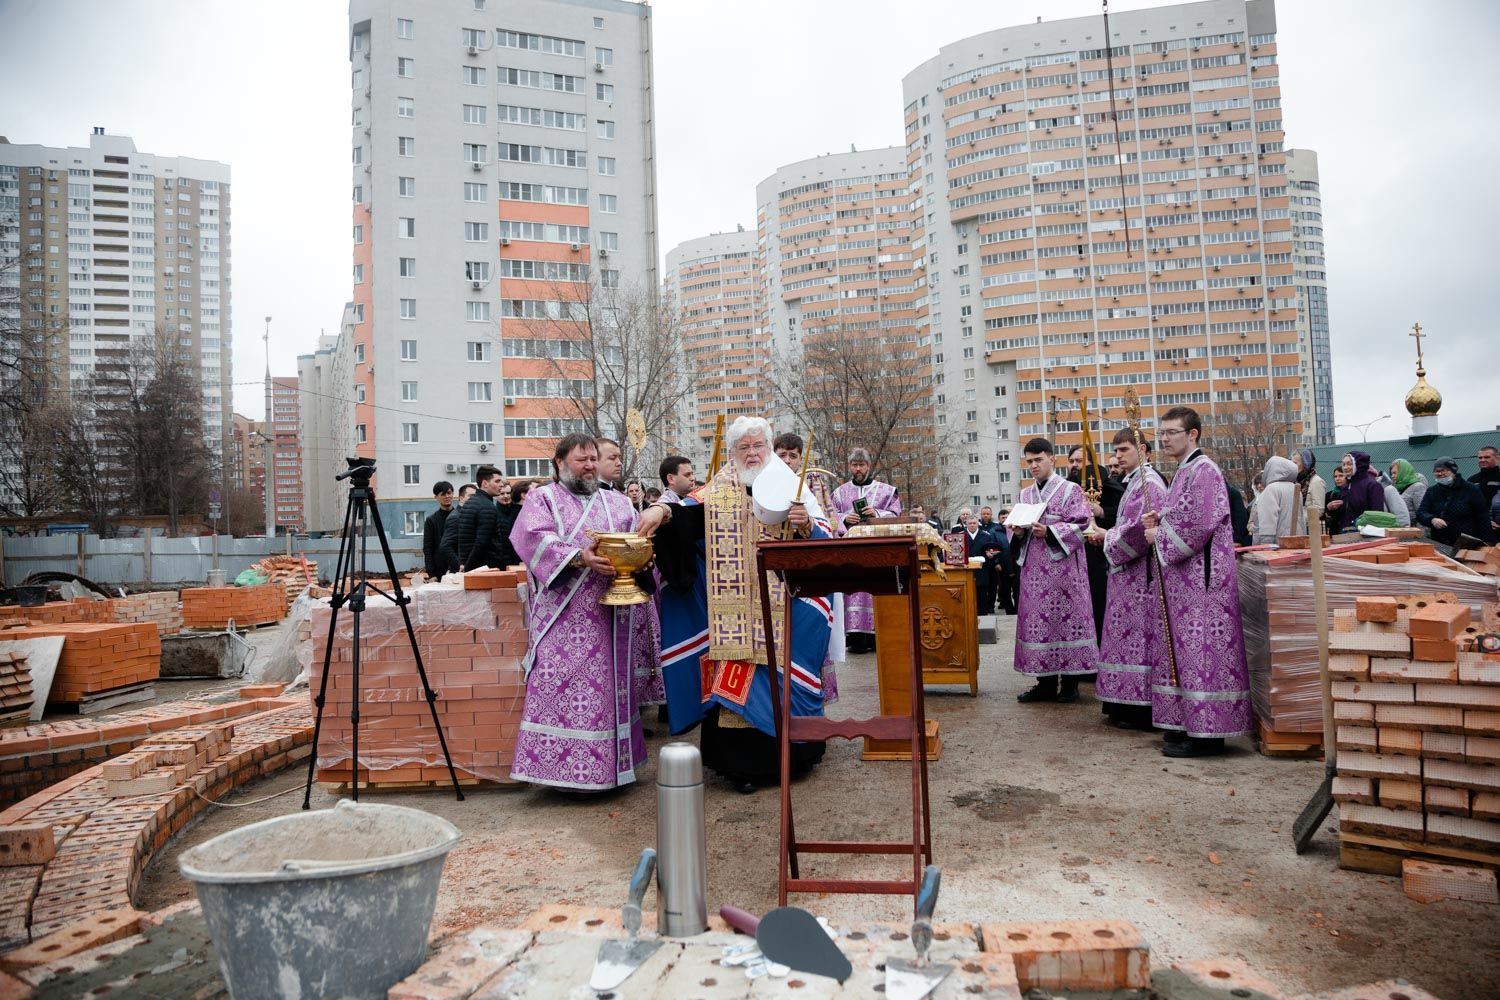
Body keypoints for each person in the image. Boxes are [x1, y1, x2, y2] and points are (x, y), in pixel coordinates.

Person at [639, 416, 833, 793]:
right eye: (743, 447)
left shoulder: (792, 487)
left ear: (769, 447)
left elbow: (824, 541)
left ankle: (795, 755)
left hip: (783, 608)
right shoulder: (717, 490)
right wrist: (661, 511)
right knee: (735, 687)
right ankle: (742, 766)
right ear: (732, 453)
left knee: (784, 673)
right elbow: (687, 518)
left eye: (758, 445)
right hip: (734, 616)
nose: (752, 453)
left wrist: (806, 524)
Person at [508, 434, 658, 792]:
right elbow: (531, 539)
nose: (590, 465)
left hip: (612, 618)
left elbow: (637, 545)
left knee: (609, 692)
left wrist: (643, 558)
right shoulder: (542, 499)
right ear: (559, 463)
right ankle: (563, 778)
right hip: (564, 618)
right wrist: (580, 557)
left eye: (593, 458)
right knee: (563, 692)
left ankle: (614, 771)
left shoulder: (619, 502)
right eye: (581, 459)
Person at [1140, 406, 1252, 757]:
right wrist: (1162, 517)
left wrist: (1160, 533)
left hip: (1203, 585)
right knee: (1186, 654)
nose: (1165, 439)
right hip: (1185, 585)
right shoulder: (1184, 471)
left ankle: (1208, 735)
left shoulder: (1204, 470)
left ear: (1193, 434)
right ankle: (1187, 724)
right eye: (1162, 433)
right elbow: (1183, 515)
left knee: (1203, 656)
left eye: (1172, 432)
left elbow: (1198, 524)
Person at [1086, 429, 1168, 729]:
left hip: (1141, 580)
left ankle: (1140, 709)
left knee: (1138, 642)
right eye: (1116, 450)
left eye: (1123, 449)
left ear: (1142, 450)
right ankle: (1121, 703)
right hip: (1126, 579)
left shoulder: (1150, 485)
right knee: (1124, 640)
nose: (1118, 456)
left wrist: (1106, 535)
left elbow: (1138, 532)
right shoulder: (1133, 482)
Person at [1010, 438, 1099, 703]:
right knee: (1040, 626)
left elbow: (1082, 525)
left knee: (1067, 623)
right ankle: (1045, 683)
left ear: (1052, 459)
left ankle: (1070, 684)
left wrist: (1049, 531)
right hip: (1034, 573)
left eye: (1038, 460)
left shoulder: (1071, 490)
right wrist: (1016, 532)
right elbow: (1014, 530)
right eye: (1029, 462)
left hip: (1065, 573)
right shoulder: (1024, 495)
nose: (1034, 466)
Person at [831, 448, 901, 654]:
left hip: (877, 554)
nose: (858, 469)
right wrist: (844, 518)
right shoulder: (839, 493)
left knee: (874, 591)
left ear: (869, 466)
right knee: (852, 592)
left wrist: (877, 513)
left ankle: (877, 638)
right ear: (850, 467)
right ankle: (855, 639)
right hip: (850, 554)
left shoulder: (887, 491)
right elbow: (830, 516)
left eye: (862, 465)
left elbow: (897, 514)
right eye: (854, 465)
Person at [1067, 446, 1123, 643]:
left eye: (1080, 461)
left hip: (1099, 557)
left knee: (1098, 604)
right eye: (1072, 461)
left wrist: (1102, 512)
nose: (1075, 465)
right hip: (1073, 557)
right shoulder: (1065, 487)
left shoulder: (1106, 485)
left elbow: (1124, 515)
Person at [439, 465, 506, 573]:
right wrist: (468, 568)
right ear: (485, 483)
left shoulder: (470, 503)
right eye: (497, 481)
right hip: (484, 569)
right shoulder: (486, 507)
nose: (501, 485)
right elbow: (481, 542)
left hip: (472, 566)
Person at [1417, 457, 1490, 548]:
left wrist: (1487, 541)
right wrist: (1432, 519)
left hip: (1466, 542)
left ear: (1453, 471)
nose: (1440, 474)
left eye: (1444, 471)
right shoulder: (1432, 491)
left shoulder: (1471, 489)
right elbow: (1421, 512)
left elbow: (1482, 516)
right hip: (1440, 542)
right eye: (1437, 471)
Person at [1331, 451, 1386, 533]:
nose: (1345, 467)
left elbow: (1377, 516)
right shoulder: (1345, 487)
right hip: (1345, 535)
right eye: (1344, 464)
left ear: (1358, 465)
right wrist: (1330, 509)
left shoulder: (1372, 485)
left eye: (1349, 464)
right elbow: (1342, 516)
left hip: (1366, 536)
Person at [1251, 457, 1298, 546]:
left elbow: (1267, 521)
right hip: (1296, 542)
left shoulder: (1271, 489)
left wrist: (1264, 545)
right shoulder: (1295, 488)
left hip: (1277, 544)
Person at [960, 509, 998, 615]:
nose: (972, 525)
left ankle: (983, 614)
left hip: (982, 570)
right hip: (966, 570)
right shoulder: (960, 537)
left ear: (978, 524)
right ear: (966, 524)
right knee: (968, 594)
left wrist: (990, 556)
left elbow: (992, 551)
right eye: (970, 523)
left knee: (982, 595)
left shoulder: (986, 536)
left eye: (974, 523)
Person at [422, 481, 455, 577]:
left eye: (449, 493)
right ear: (436, 497)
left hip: (458, 568)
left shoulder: (460, 516)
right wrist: (431, 574)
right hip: (439, 571)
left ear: (453, 494)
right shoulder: (431, 520)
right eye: (443, 494)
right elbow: (428, 548)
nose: (447, 496)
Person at [1390, 459, 1427, 525]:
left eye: (1394, 473)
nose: (1392, 476)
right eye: (1391, 473)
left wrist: (1420, 534)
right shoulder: (1396, 488)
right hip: (1399, 530)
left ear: (1403, 471)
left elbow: (1422, 513)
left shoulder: (1418, 487)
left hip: (1413, 531)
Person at [1471, 446, 1500, 515]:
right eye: (1480, 458)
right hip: (1478, 522)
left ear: (1497, 458)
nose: (1482, 460)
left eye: (1487, 457)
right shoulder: (1472, 480)